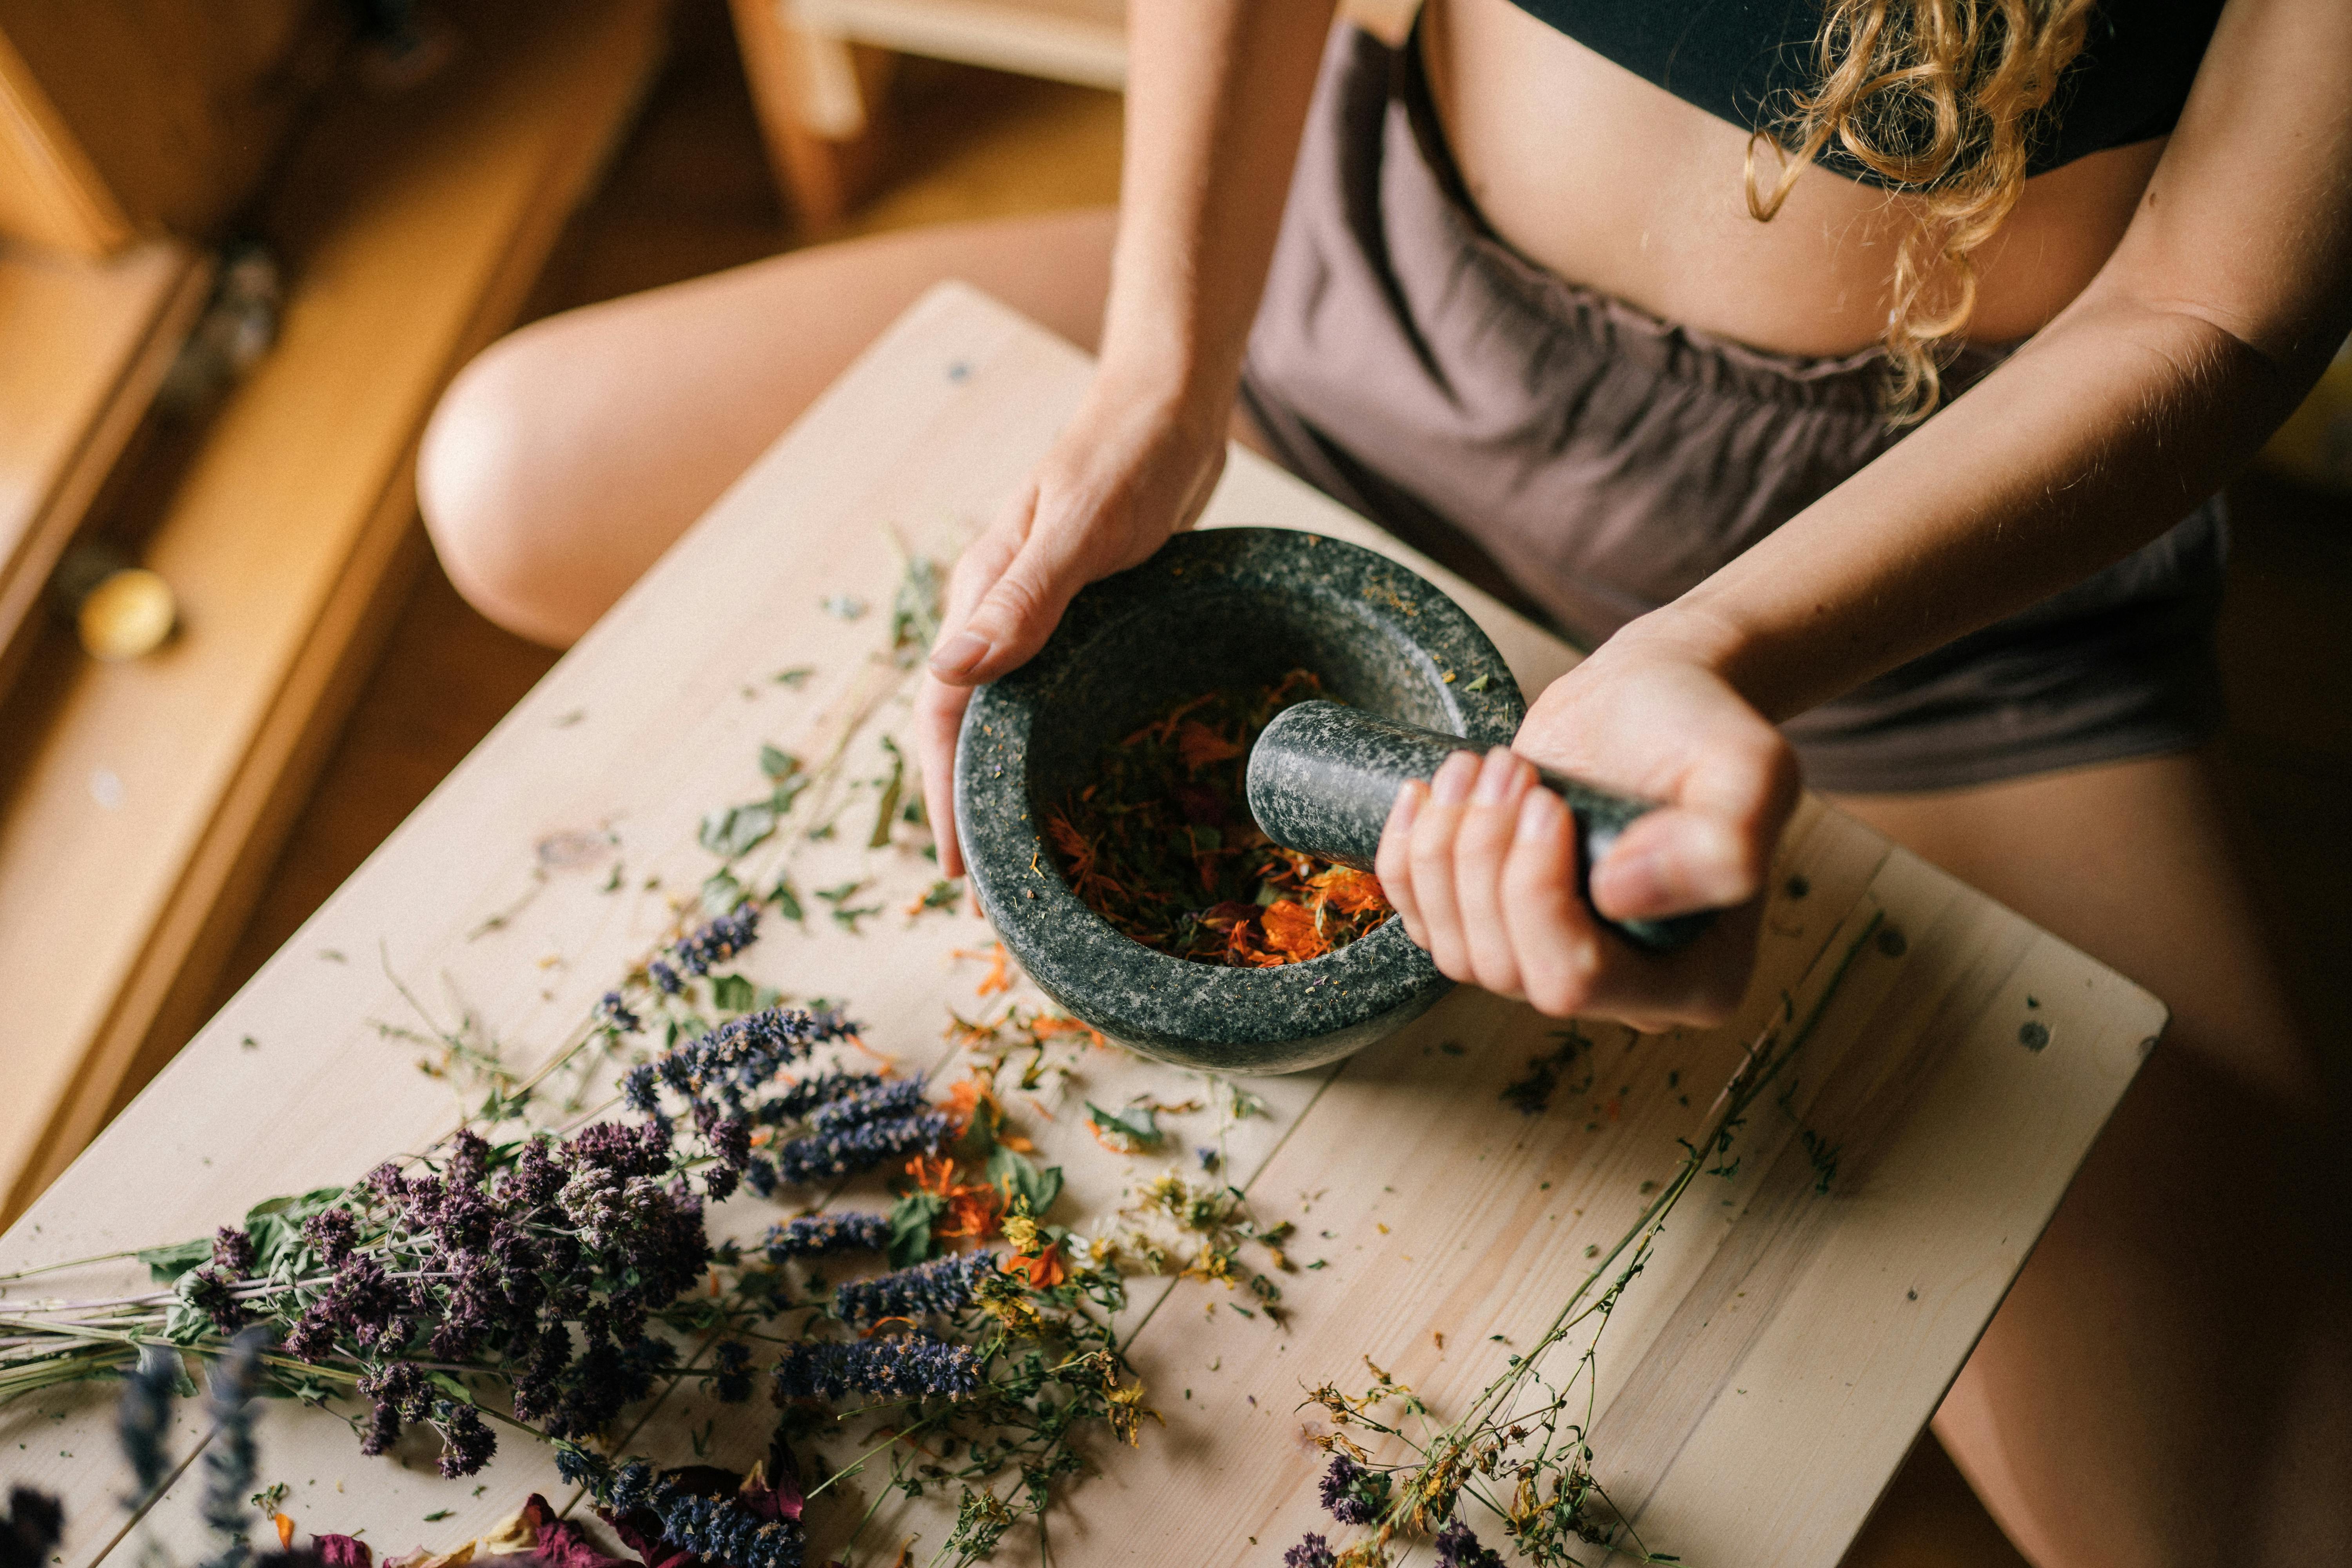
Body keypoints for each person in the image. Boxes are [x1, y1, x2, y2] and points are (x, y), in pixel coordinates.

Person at [416, 2, 2350, 1560]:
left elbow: (2214, 308)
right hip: (1347, 327)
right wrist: (1157, 376)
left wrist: (1712, 650)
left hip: (1919, 583)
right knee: (508, 472)